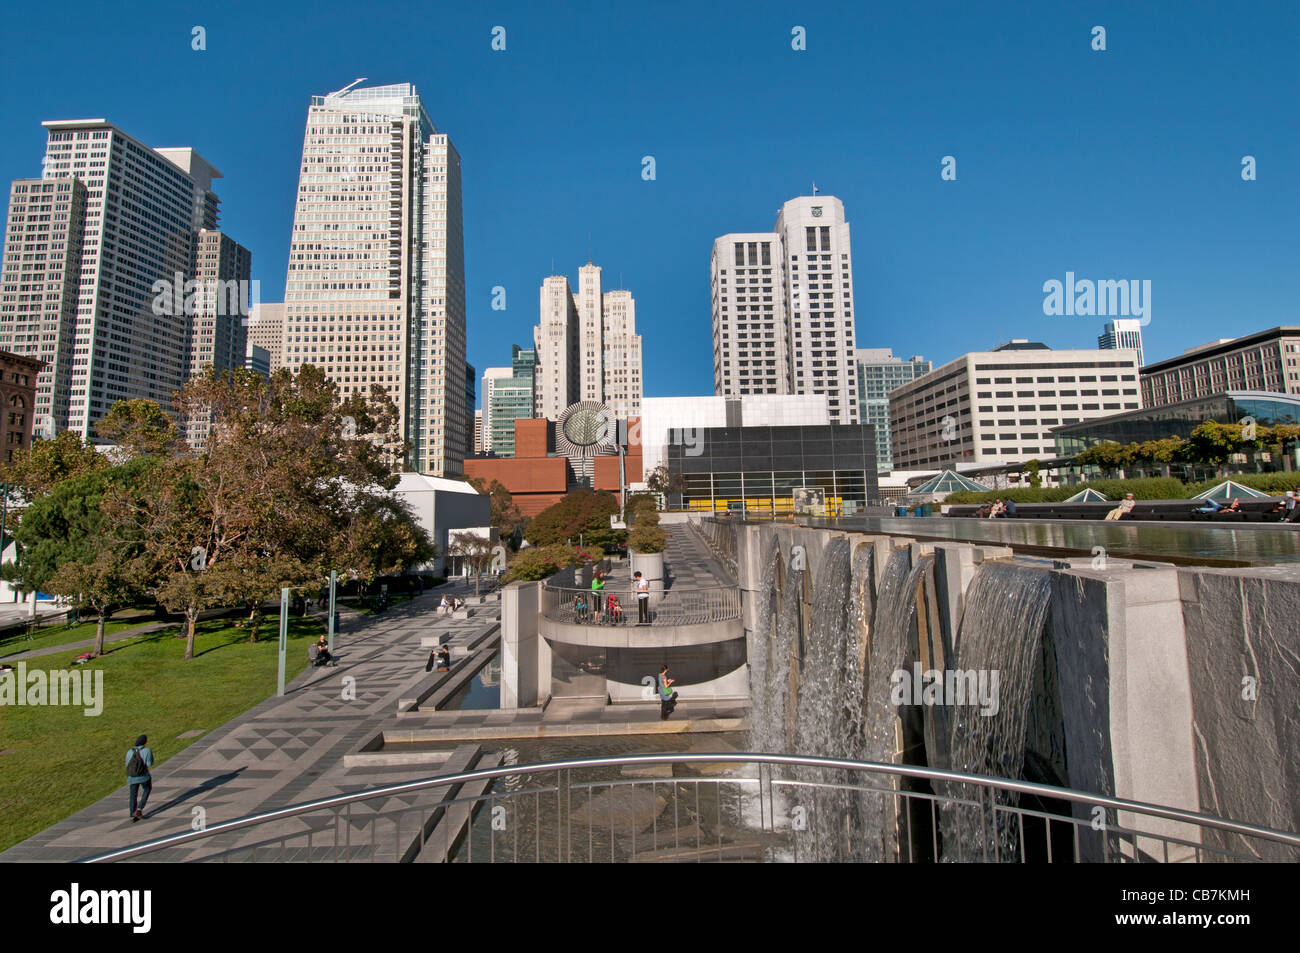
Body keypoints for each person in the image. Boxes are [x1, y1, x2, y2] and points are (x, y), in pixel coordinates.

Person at [125, 734, 154, 822]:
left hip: (132, 776)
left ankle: (132, 813)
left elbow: (127, 764)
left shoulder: (130, 751)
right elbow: (149, 764)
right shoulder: (147, 750)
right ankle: (139, 808)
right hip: (143, 776)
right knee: (147, 789)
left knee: (133, 794)